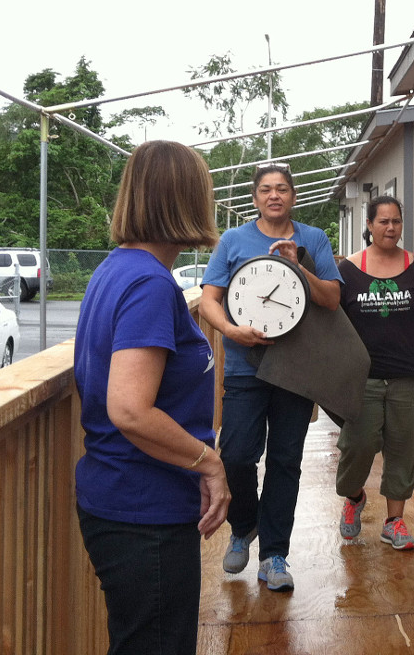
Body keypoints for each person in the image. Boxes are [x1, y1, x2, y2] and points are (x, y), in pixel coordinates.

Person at [74, 140, 229, 655]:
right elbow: (129, 408)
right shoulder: (148, 285)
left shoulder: (118, 269)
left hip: (126, 501)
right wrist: (209, 463)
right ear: (183, 200)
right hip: (143, 512)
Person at [200, 162, 343, 592]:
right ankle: (244, 526)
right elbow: (209, 299)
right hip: (245, 366)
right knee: (237, 455)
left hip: (297, 370)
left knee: (285, 461)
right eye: (266, 189)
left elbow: (333, 299)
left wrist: (300, 267)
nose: (274, 195)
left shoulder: (312, 238)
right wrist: (229, 329)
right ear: (255, 197)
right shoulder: (233, 240)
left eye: (282, 188)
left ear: (293, 195)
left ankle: (274, 555)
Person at [335, 195, 414, 550]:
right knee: (357, 446)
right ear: (369, 226)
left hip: (411, 377)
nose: (390, 228)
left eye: (396, 222)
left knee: (405, 448)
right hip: (362, 380)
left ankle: (394, 521)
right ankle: (354, 497)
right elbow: (329, 318)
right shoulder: (347, 270)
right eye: (383, 221)